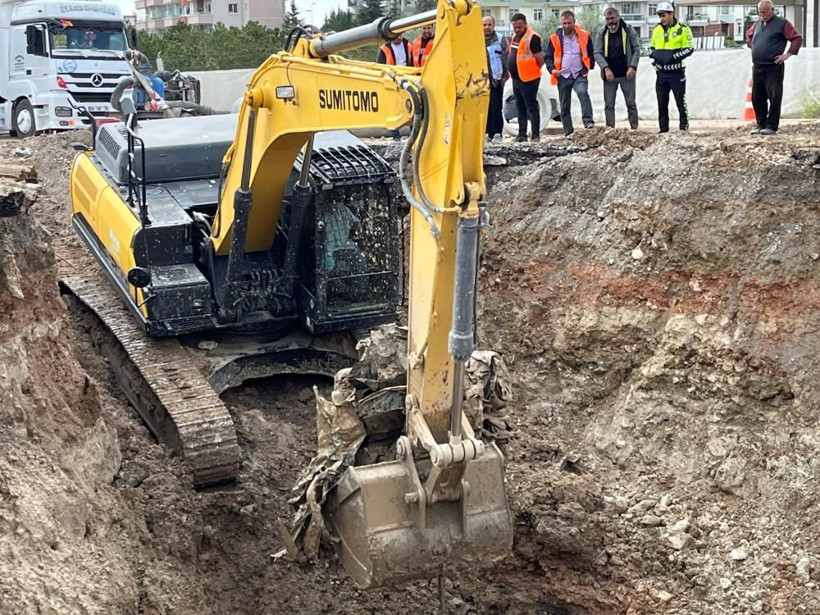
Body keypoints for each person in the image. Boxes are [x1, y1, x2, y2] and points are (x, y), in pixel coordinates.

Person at [746, 0, 802, 135]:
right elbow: (749, 35)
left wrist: (787, 54)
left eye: (765, 12)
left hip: (773, 66)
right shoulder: (757, 24)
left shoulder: (782, 23)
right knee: (757, 97)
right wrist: (754, 46)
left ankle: (771, 125)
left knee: (774, 96)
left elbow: (797, 38)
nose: (762, 15)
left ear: (772, 10)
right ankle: (761, 123)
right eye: (760, 12)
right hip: (758, 66)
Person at [546, 10, 595, 137]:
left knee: (583, 93)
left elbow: (590, 52)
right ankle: (568, 131)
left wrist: (588, 67)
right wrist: (553, 70)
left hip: (579, 73)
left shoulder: (584, 35)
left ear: (574, 22)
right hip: (563, 75)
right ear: (561, 23)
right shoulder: (555, 38)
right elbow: (548, 57)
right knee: (564, 104)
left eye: (569, 23)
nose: (567, 26)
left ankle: (588, 122)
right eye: (564, 23)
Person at [649, 2, 694, 133]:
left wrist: (673, 56)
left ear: (671, 14)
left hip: (676, 73)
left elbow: (689, 49)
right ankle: (663, 130)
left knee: (681, 102)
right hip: (661, 73)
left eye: (664, 16)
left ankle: (683, 129)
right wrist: (655, 56)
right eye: (660, 16)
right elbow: (652, 48)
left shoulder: (683, 29)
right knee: (662, 103)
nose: (662, 19)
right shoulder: (657, 29)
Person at [593, 7, 640, 130]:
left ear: (618, 17)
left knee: (631, 103)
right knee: (609, 104)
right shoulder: (602, 33)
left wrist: (633, 66)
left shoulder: (628, 30)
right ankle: (610, 129)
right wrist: (606, 68)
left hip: (627, 74)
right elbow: (597, 52)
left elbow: (636, 49)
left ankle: (634, 129)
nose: (610, 21)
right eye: (607, 19)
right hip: (610, 76)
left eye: (612, 18)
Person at [507, 13, 544, 143]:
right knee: (520, 106)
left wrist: (532, 71)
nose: (517, 29)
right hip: (517, 78)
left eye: (520, 26)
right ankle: (522, 134)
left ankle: (535, 135)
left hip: (529, 78)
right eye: (515, 27)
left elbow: (540, 59)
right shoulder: (515, 37)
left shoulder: (532, 37)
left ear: (525, 24)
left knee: (531, 107)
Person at [377, 35, 412, 139]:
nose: (399, 37)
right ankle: (395, 136)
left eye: (400, 34)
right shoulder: (384, 49)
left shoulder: (408, 45)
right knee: (393, 108)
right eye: (396, 35)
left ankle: (412, 134)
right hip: (391, 83)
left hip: (407, 80)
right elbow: (380, 68)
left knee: (410, 106)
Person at [484, 16, 509, 142]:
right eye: (484, 25)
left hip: (496, 80)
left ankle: (497, 132)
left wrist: (505, 77)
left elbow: (506, 59)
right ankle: (487, 132)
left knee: (496, 106)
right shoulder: (476, 40)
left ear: (493, 25)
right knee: (484, 107)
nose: (487, 27)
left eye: (489, 24)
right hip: (481, 81)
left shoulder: (500, 39)